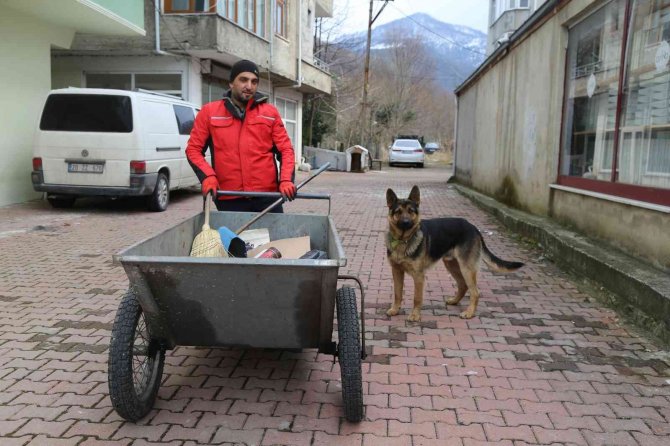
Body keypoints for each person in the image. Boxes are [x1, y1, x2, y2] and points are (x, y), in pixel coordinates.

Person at [186, 59, 297, 212]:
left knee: (272, 236)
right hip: (229, 197)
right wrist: (208, 176)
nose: (249, 86)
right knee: (234, 237)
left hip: (267, 198)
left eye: (254, 81)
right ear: (231, 83)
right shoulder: (209, 113)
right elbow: (193, 149)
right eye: (243, 80)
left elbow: (286, 150)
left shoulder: (270, 113)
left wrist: (285, 180)